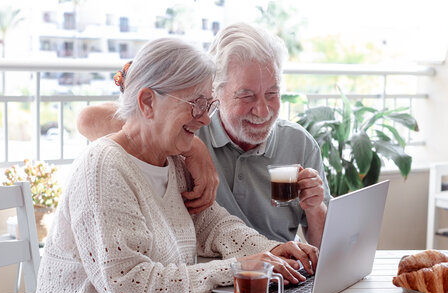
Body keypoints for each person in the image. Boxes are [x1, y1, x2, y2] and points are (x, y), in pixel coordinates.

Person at [30, 38, 318, 293]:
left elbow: (212, 223)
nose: (206, 119)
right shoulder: (104, 169)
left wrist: (268, 250)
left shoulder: (171, 159)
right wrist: (237, 268)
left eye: (208, 105)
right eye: (195, 104)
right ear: (148, 102)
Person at [78, 23, 330, 248]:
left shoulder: (298, 143)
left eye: (272, 94)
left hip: (277, 275)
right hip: (207, 277)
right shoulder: (189, 128)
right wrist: (195, 147)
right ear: (215, 92)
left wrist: (315, 208)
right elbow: (88, 119)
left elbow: (327, 248)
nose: (263, 110)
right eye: (246, 96)